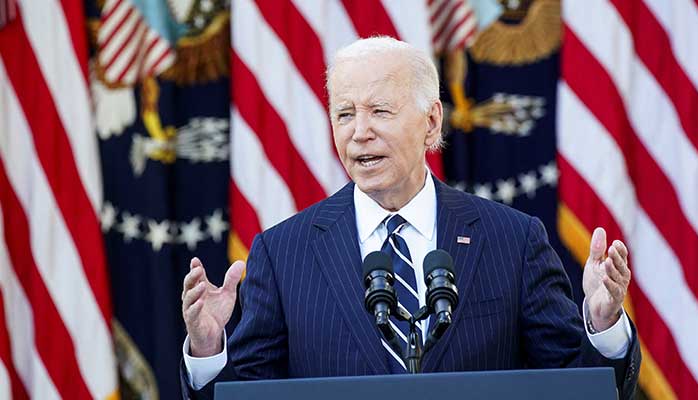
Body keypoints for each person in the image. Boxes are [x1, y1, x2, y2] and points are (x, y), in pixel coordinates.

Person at [180, 37, 640, 400]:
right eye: (344, 114)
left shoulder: (513, 240)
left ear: (432, 122)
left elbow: (575, 386)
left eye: (380, 111)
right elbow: (246, 394)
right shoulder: (283, 254)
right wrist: (207, 348)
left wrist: (602, 325)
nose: (360, 133)